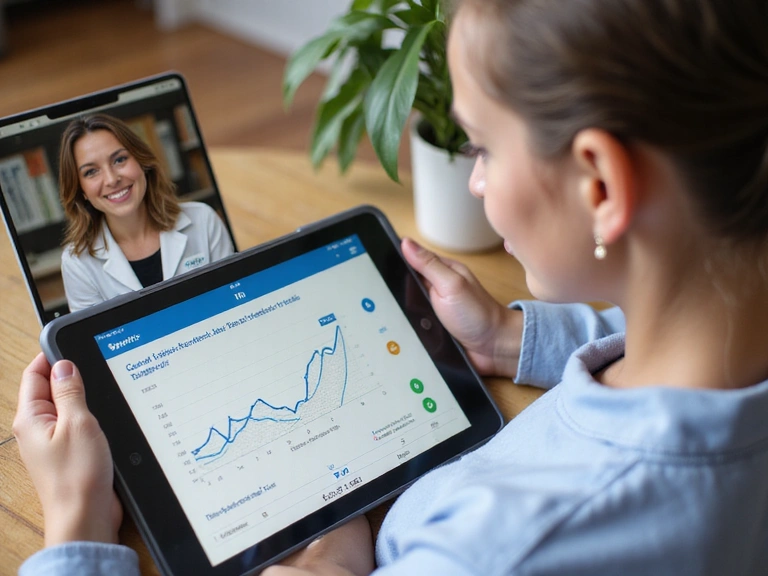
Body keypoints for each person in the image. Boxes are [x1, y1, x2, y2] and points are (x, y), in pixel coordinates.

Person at [12, 0, 768, 574]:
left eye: (479, 146)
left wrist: (76, 523)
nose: (471, 180)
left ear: (600, 184)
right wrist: (510, 336)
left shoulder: (489, 551)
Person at [58, 113, 235, 312]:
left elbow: (234, 301)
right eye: (91, 172)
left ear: (142, 162)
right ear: (81, 190)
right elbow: (93, 340)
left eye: (119, 160)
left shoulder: (203, 220)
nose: (111, 179)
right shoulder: (78, 262)